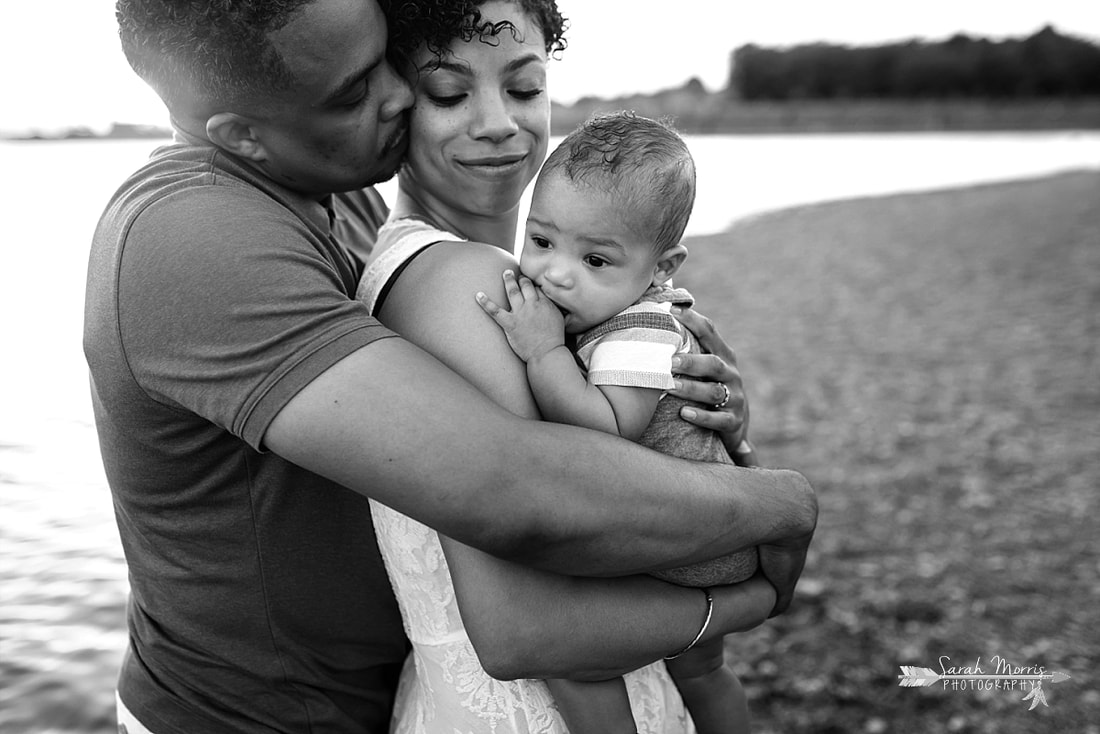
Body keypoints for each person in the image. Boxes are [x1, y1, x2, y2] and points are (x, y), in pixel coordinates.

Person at [88, 1, 815, 732]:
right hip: (239, 719)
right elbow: (517, 503)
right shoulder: (194, 238)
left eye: (526, 88)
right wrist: (778, 513)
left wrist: (676, 396)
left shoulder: (346, 208)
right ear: (242, 134)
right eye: (434, 90)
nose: (397, 98)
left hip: (373, 696)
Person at [354, 3, 812, 732]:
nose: (499, 121)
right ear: (396, 102)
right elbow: (525, 624)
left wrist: (692, 415)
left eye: (526, 88)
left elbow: (611, 471)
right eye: (449, 93)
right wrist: (758, 584)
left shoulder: (540, 290)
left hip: (616, 668)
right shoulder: (458, 281)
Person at [476, 112, 754, 733]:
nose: (555, 272)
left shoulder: (642, 334)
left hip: (689, 546)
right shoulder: (610, 310)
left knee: (578, 664)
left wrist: (544, 352)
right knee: (703, 672)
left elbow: (606, 433)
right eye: (541, 241)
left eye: (596, 259)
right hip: (690, 526)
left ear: (662, 267)